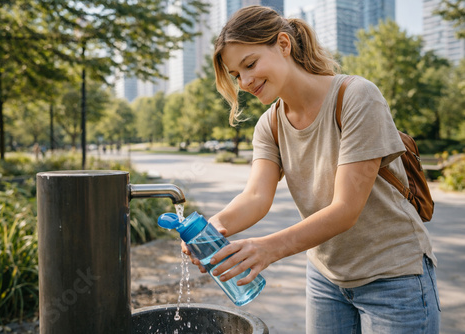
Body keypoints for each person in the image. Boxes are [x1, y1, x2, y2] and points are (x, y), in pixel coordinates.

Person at [183, 5, 441, 334]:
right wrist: (213, 228)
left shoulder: (357, 97)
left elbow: (345, 210)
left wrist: (266, 249)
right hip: (326, 280)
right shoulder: (270, 124)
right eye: (236, 75)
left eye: (250, 64)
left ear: (283, 45)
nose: (245, 81)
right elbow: (255, 196)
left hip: (393, 278)